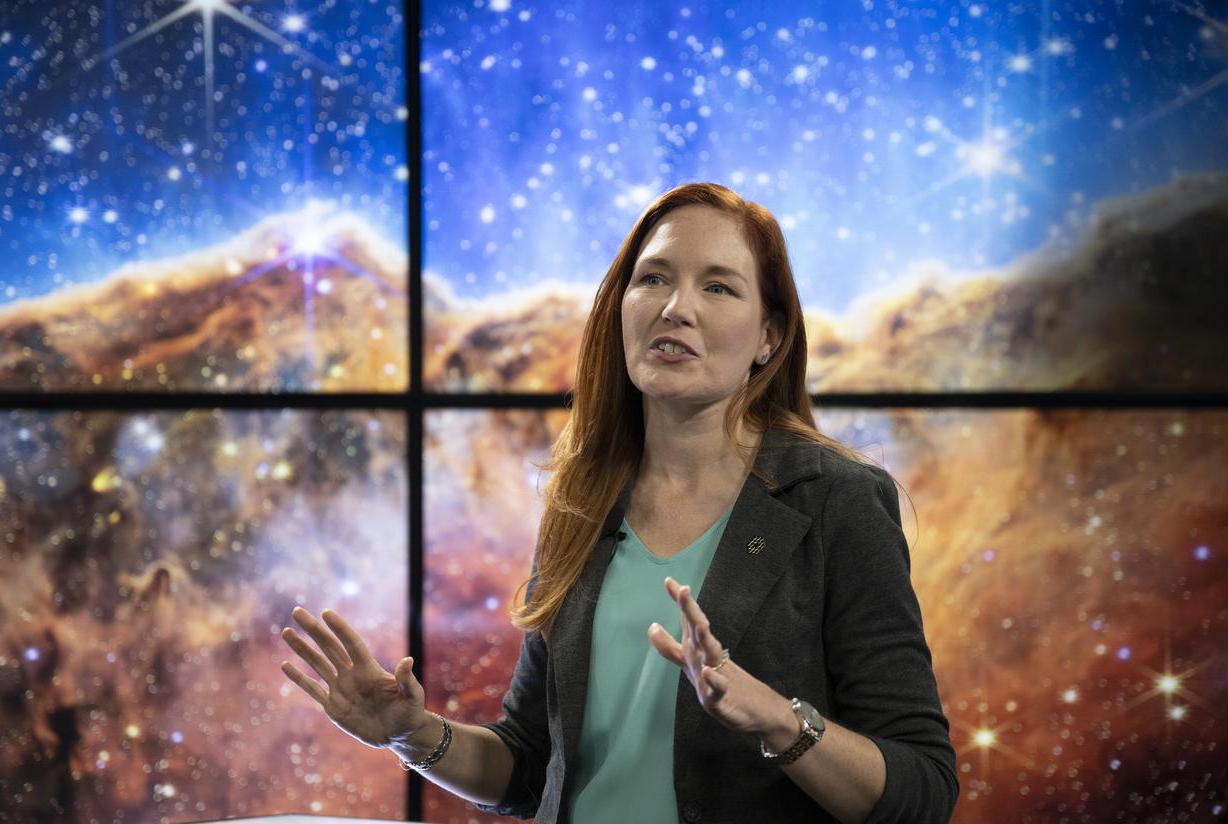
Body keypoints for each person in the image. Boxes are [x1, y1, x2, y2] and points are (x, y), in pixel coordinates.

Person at [280, 183, 958, 823]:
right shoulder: (582, 501)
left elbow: (922, 789)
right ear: (621, 308)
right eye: (654, 278)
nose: (676, 307)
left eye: (717, 286)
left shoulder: (838, 501)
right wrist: (413, 736)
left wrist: (779, 719)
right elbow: (529, 764)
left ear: (769, 339)